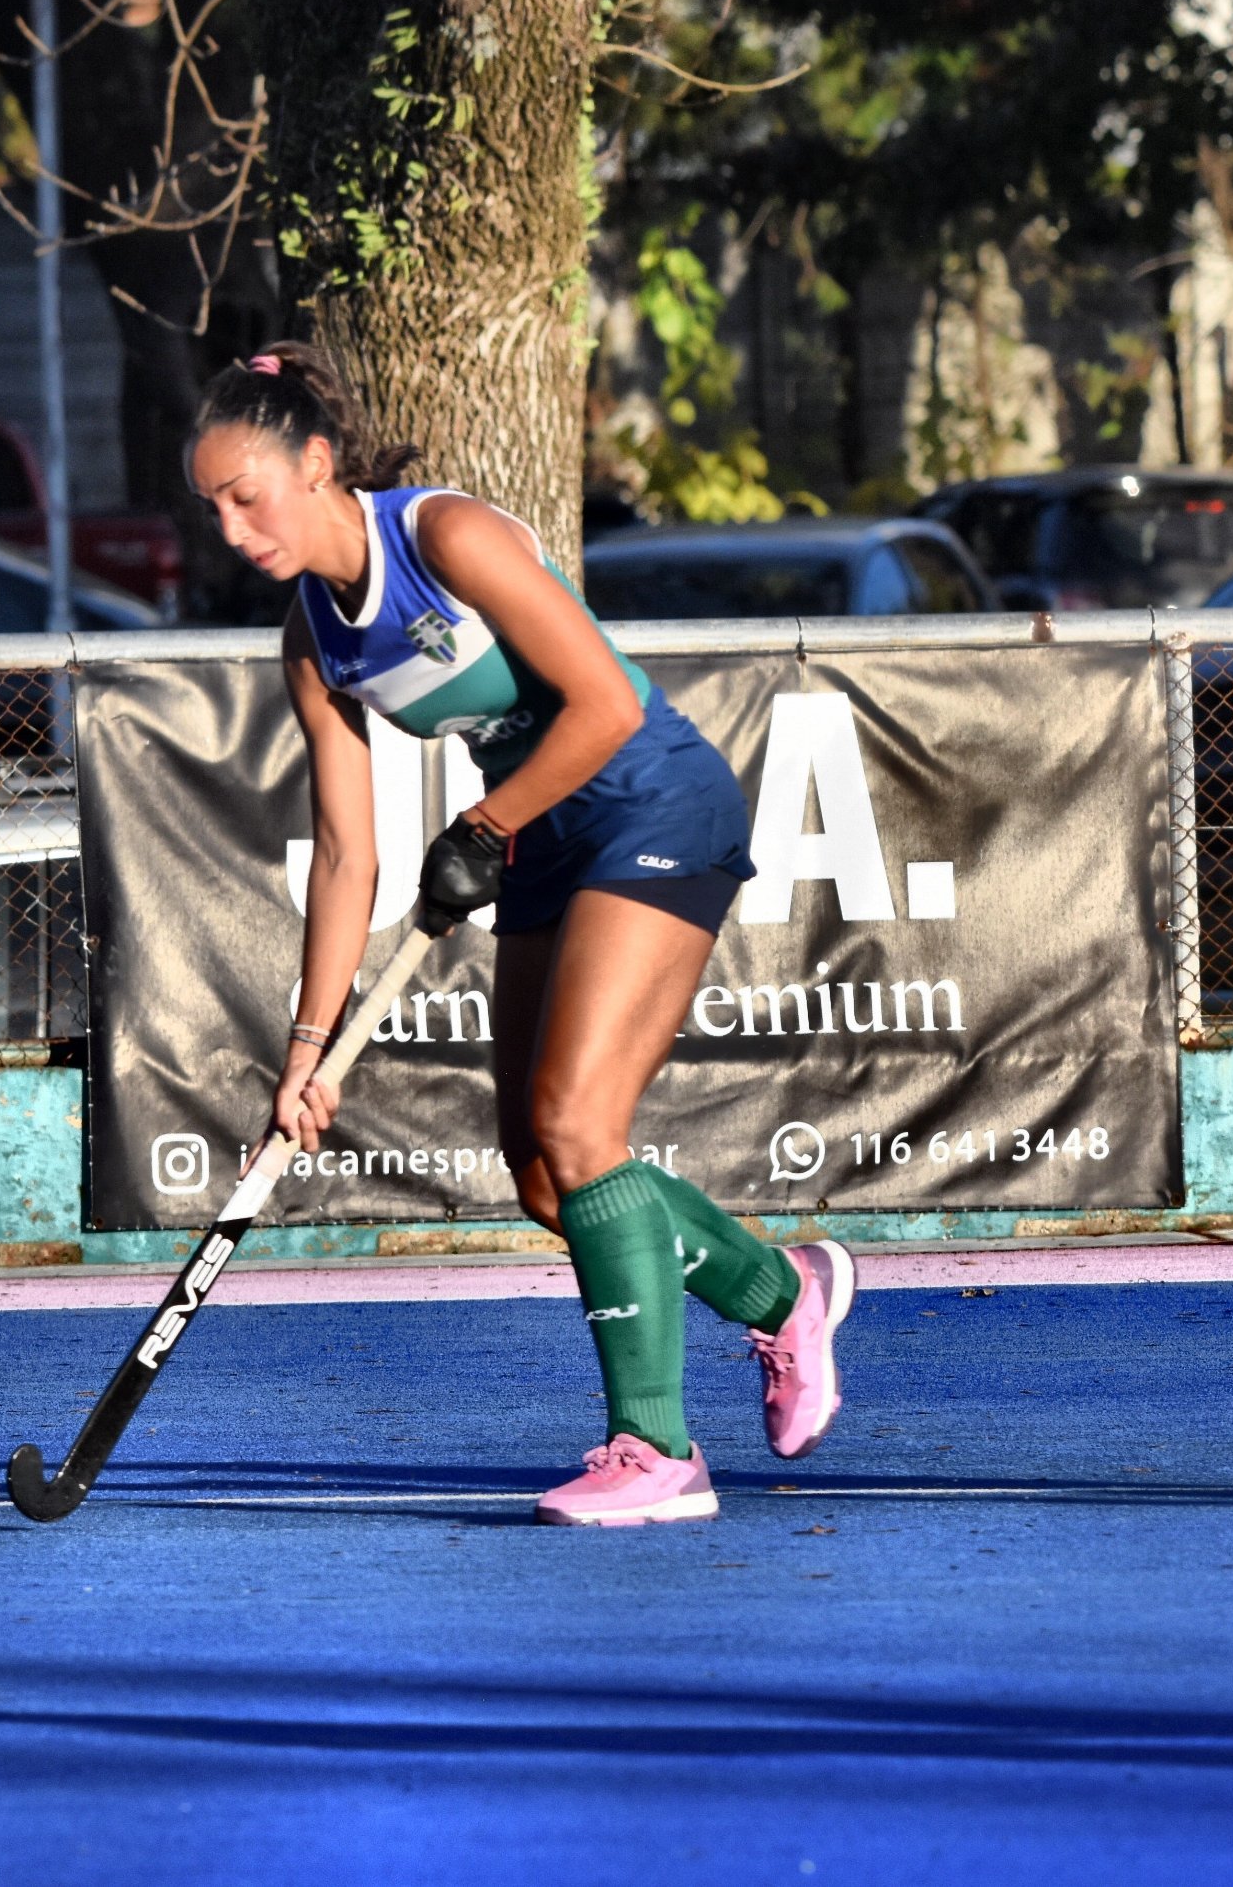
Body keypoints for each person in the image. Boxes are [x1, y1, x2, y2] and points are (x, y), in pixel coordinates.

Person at [188, 343, 858, 1526]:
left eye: (249, 497)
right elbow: (347, 854)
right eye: (215, 510)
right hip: (542, 837)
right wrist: (306, 1049)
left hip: (650, 798)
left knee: (578, 1125)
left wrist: (485, 821)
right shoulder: (314, 642)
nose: (236, 531)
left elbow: (600, 699)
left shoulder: (442, 537)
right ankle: (778, 1290)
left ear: (316, 462)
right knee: (546, 1177)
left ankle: (655, 1453)